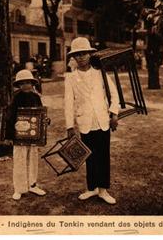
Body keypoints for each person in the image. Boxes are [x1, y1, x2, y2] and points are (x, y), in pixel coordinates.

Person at [64, 37, 120, 205]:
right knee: (90, 156)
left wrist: (114, 114)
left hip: (102, 121)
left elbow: (114, 94)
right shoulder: (71, 78)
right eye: (77, 55)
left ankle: (103, 190)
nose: (81, 57)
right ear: (73, 57)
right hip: (85, 123)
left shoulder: (100, 74)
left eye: (84, 54)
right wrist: (69, 126)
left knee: (103, 155)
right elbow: (68, 103)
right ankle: (92, 188)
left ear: (90, 54)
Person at [7, 69, 47, 200]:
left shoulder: (36, 97)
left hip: (33, 135)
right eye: (22, 83)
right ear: (19, 85)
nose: (26, 85)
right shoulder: (16, 97)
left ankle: (32, 184)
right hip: (20, 135)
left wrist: (45, 121)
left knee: (33, 158)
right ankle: (19, 188)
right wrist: (9, 135)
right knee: (19, 159)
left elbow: (41, 114)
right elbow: (10, 116)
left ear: (32, 83)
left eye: (28, 82)